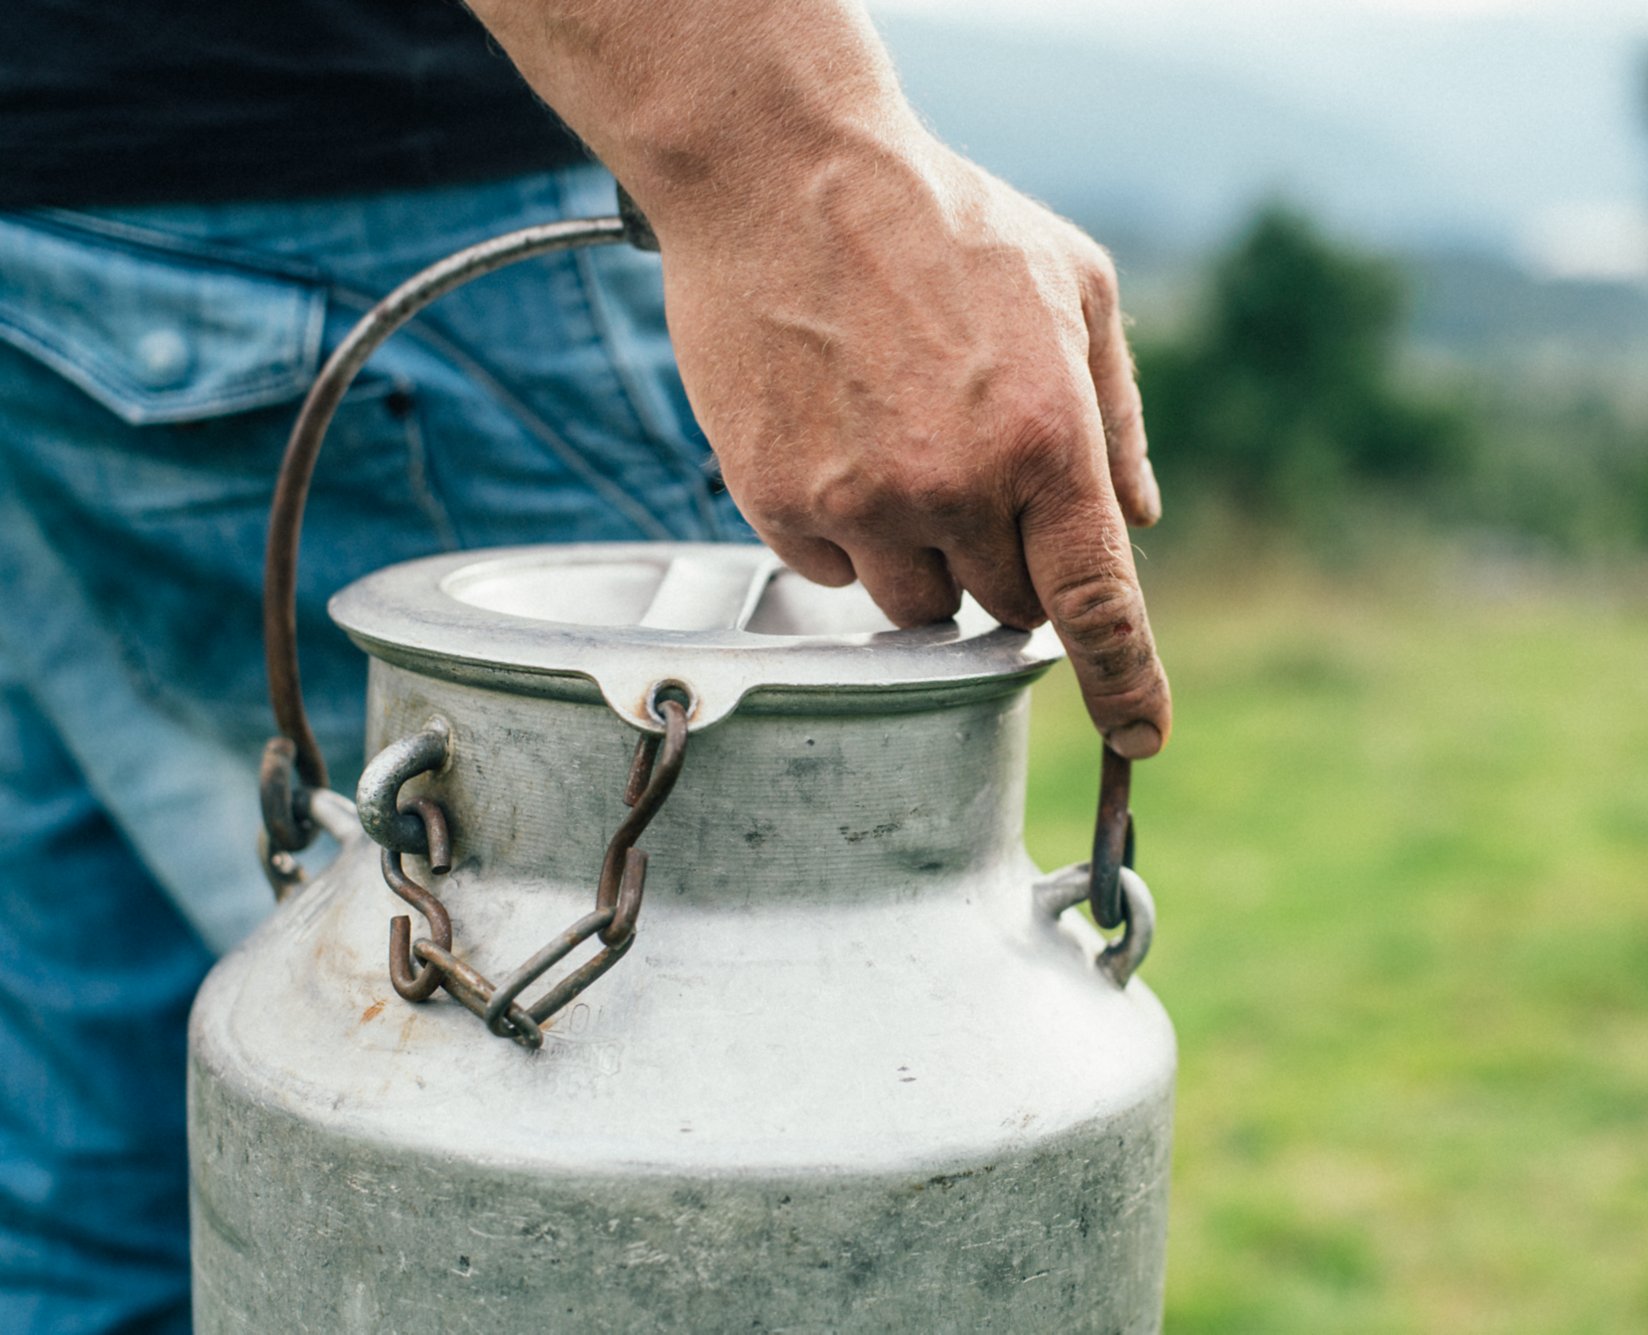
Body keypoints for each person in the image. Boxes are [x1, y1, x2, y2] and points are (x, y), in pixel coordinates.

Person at [0, 1, 1172, 1329]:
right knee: (693, 1175)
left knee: (105, 1178)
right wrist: (793, 154)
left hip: (44, 242)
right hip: (342, 200)